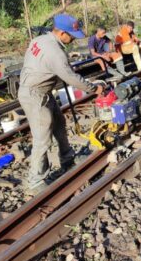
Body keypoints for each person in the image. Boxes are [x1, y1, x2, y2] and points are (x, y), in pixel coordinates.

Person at [18, 14, 104, 194]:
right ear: (62, 33)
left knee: (59, 123)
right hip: (35, 94)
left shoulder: (41, 39)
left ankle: (67, 158)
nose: (73, 39)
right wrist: (93, 88)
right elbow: (71, 77)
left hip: (41, 91)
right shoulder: (55, 52)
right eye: (72, 35)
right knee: (42, 137)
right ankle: (35, 179)